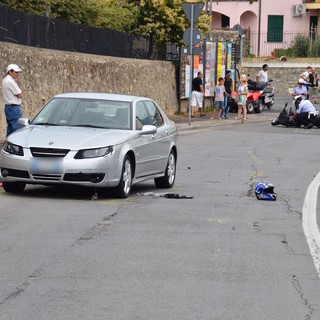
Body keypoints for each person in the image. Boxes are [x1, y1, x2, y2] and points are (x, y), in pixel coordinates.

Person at [2, 64, 23, 136]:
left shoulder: (5, 80)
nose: (17, 74)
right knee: (18, 129)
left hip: (8, 107)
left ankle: (8, 145)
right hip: (13, 107)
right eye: (16, 72)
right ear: (10, 72)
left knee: (10, 129)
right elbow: (20, 95)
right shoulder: (10, 81)